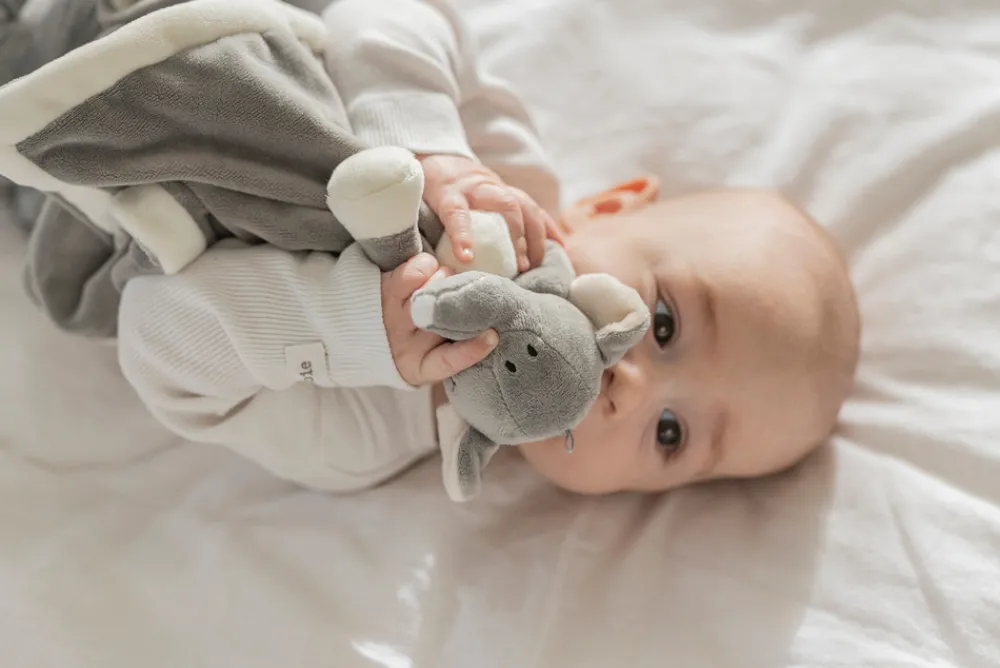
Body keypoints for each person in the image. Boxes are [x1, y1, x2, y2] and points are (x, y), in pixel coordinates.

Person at [116, 0, 860, 495]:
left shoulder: (365, 435)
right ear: (606, 207)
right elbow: (386, 15)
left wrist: (355, 330)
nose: (630, 389)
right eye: (662, 323)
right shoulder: (505, 175)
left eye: (670, 435)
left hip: (108, 148)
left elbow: (155, 338)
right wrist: (428, 146)